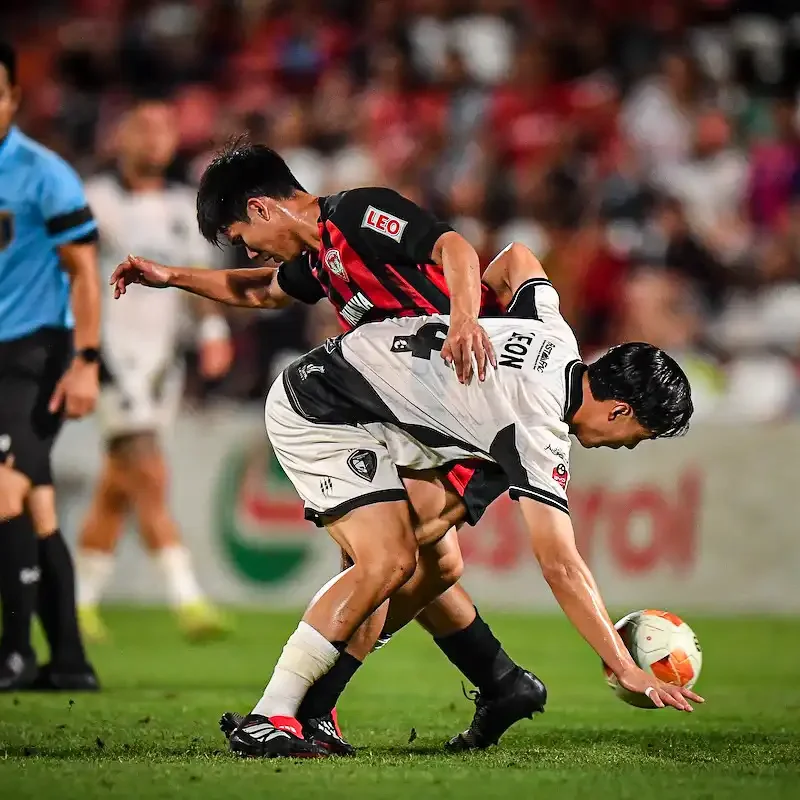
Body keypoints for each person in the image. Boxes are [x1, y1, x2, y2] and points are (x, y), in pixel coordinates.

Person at [108, 139, 546, 752]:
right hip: (410, 422)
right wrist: (170, 275)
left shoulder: (360, 214)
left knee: (390, 560)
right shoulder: (321, 258)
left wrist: (465, 319)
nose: (249, 248)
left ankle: (303, 706)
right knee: (420, 562)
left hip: (463, 417)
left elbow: (453, 248)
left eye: (241, 234)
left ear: (262, 209)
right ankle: (498, 682)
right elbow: (259, 290)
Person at [227, 246, 703, 758]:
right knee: (388, 561)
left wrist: (468, 321)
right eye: (641, 432)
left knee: (435, 561)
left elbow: (516, 259)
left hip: (368, 404)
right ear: (618, 410)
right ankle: (273, 715)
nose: (631, 444)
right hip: (322, 408)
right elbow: (560, 564)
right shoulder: (537, 426)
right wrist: (623, 665)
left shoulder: (553, 333)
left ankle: (320, 705)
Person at [76, 99, 233, 643]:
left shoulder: (179, 205)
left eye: (165, 127)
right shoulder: (94, 200)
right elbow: (69, 274)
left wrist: (213, 334)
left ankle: (78, 602)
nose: (155, 137)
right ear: (121, 136)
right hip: (110, 358)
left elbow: (196, 278)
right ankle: (187, 597)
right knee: (148, 471)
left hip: (162, 363)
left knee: (117, 485)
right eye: (143, 126)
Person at [0, 41, 99, 691]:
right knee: (35, 504)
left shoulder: (44, 174)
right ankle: (69, 661)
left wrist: (88, 360)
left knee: (5, 486)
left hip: (36, 350)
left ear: (11, 97)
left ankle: (14, 653)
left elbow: (84, 273)